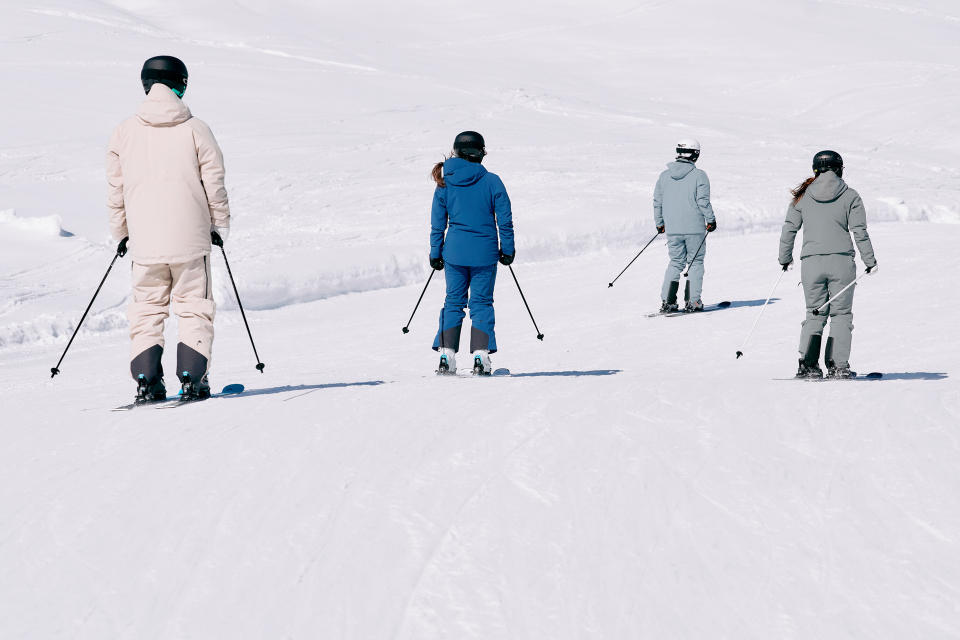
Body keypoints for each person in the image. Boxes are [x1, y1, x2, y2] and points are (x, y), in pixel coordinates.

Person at [106, 55, 231, 404]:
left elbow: (116, 191)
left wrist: (121, 233)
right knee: (193, 306)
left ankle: (147, 381)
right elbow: (214, 182)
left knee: (146, 309)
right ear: (181, 84)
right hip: (191, 240)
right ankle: (193, 379)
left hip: (144, 243)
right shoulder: (196, 129)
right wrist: (219, 224)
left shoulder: (123, 132)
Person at [779, 150, 877, 379]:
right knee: (841, 314)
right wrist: (869, 260)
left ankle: (808, 366)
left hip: (811, 263)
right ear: (839, 168)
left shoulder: (802, 197)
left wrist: (785, 258)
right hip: (841, 263)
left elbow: (789, 229)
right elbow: (859, 231)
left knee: (814, 313)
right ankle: (838, 366)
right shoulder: (850, 195)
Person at [429, 131, 514, 376]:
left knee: (453, 302)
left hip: (454, 253)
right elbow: (505, 220)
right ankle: (480, 357)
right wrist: (508, 249)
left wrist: (435, 253)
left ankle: (446, 356)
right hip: (484, 254)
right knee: (481, 303)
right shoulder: (492, 181)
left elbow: (438, 223)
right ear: (480, 153)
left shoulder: (445, 182)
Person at [653, 139, 717, 313]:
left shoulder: (664, 176)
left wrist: (660, 223)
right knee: (695, 262)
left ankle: (667, 302)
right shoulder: (699, 175)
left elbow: (657, 202)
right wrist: (711, 220)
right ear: (695, 154)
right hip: (694, 228)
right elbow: (702, 201)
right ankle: (693, 302)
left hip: (672, 229)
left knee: (675, 262)